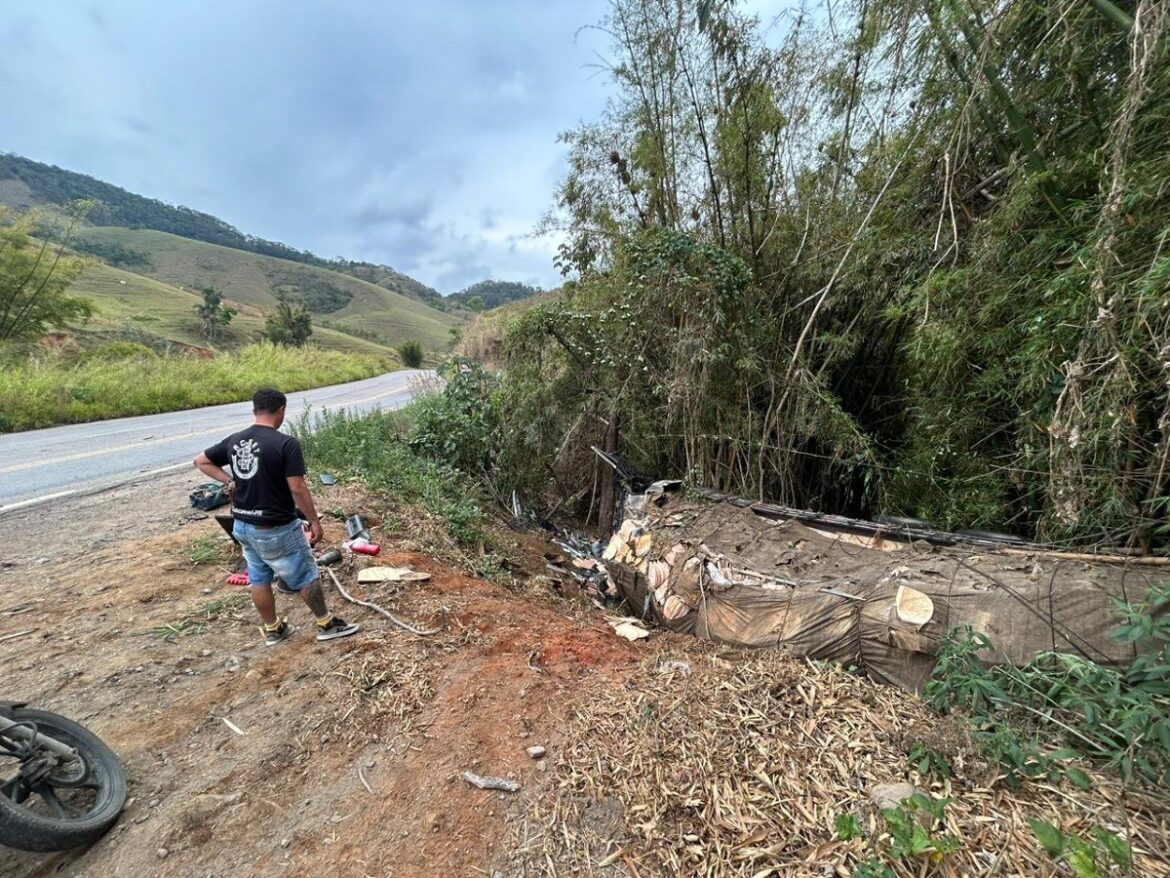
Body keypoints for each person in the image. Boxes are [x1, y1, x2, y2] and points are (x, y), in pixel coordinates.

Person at [194, 388, 359, 646]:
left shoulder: (235, 440)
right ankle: (326, 624)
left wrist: (230, 481)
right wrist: (314, 521)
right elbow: (297, 488)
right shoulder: (285, 443)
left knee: (258, 578)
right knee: (305, 574)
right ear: (281, 410)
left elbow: (202, 461)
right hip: (275, 528)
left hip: (242, 525)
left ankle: (273, 629)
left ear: (254, 410)